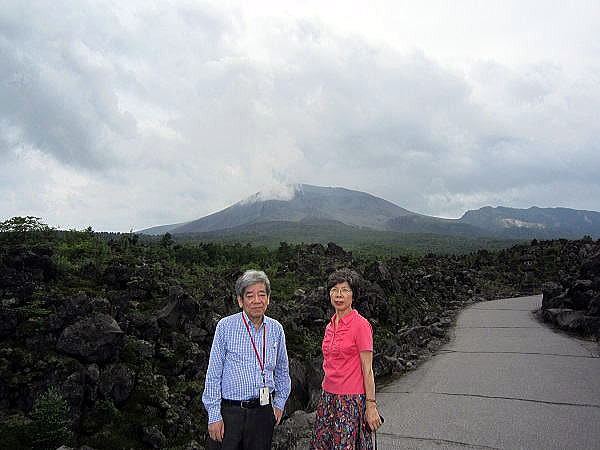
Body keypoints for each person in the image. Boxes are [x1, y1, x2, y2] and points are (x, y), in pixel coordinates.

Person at [202, 270, 291, 450]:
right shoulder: (225, 327)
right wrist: (214, 415)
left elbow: (282, 370)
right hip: (230, 413)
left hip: (263, 412)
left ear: (268, 298)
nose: (257, 300)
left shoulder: (276, 329)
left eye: (262, 295)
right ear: (240, 300)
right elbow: (213, 373)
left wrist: (279, 404)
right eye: (250, 296)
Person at [310, 268, 382, 449]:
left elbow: (368, 369)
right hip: (328, 397)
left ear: (353, 294)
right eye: (334, 290)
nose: (339, 295)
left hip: (350, 400)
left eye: (345, 290)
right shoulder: (329, 326)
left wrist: (371, 405)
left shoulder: (361, 325)